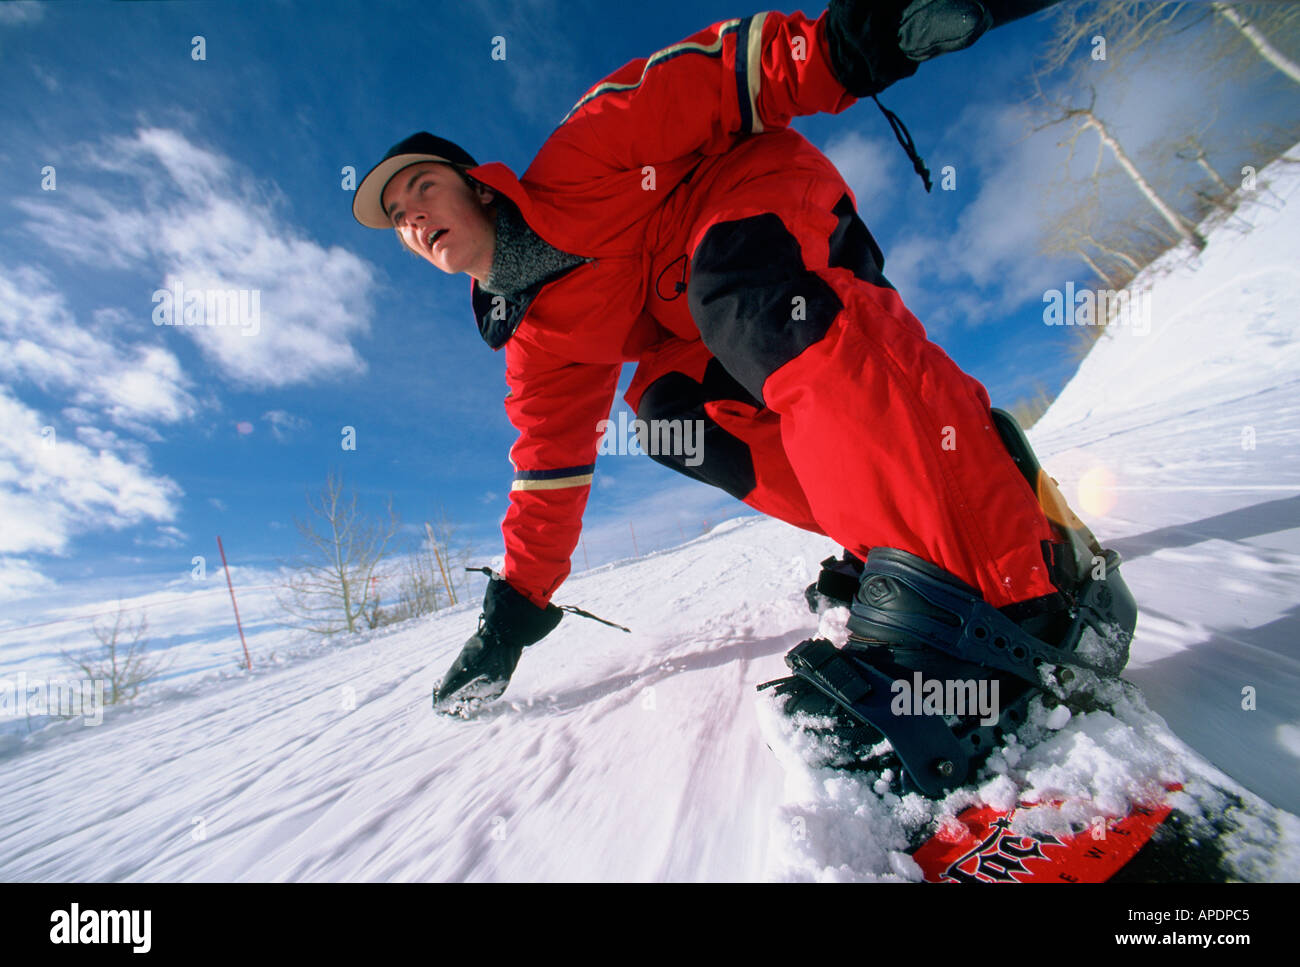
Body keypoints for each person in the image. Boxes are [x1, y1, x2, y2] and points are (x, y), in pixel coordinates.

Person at [350, 0, 1112, 718]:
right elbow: (549, 475)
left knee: (739, 288)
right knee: (668, 412)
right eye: (397, 216)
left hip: (758, 204)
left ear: (480, 190)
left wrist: (844, 49)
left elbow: (720, 75)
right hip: (705, 325)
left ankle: (1015, 591)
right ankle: (903, 539)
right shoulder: (536, 345)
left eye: (424, 186)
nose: (412, 215)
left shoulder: (581, 155)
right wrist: (510, 618)